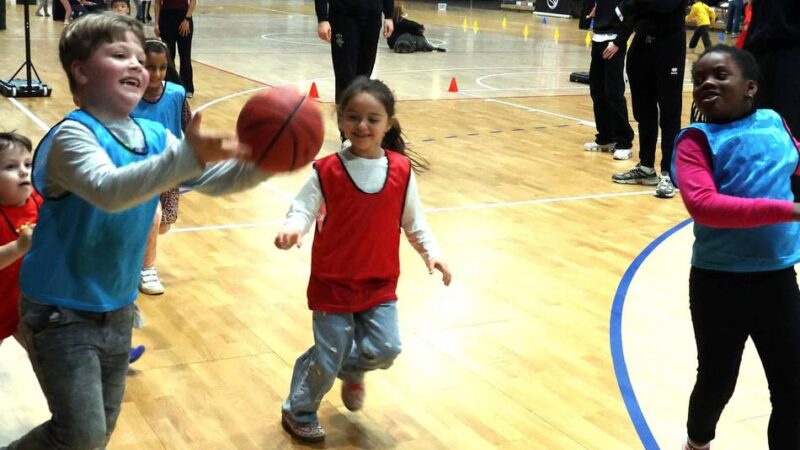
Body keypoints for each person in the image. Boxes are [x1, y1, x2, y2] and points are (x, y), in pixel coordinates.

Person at [1, 12, 269, 450]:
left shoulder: (154, 134)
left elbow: (213, 180)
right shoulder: (72, 137)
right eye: (120, 54)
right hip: (59, 311)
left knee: (96, 435)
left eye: (140, 58)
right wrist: (184, 159)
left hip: (118, 308)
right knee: (79, 437)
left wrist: (268, 163)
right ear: (82, 71)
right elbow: (109, 190)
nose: (137, 65)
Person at [275, 77, 451, 443]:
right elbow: (303, 208)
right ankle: (299, 410)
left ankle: (349, 369)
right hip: (333, 282)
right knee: (327, 359)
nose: (362, 125)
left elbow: (414, 222)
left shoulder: (401, 172)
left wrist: (433, 254)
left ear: (389, 123)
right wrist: (294, 229)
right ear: (340, 120)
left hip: (379, 282)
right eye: (353, 116)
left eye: (373, 118)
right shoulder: (327, 170)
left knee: (387, 348)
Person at [672, 45, 800, 450]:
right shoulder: (694, 140)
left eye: (719, 75)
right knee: (717, 380)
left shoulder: (774, 121)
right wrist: (791, 211)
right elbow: (706, 207)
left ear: (750, 87)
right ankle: (696, 444)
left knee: (793, 386)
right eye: (699, 79)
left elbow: (793, 162)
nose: (706, 83)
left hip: (777, 278)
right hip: (718, 283)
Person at [612, 0, 687, 199]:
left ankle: (668, 173)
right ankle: (646, 166)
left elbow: (665, 6)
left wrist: (631, 4)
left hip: (669, 45)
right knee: (643, 111)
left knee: (669, 111)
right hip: (643, 42)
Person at [133, 39, 191, 295]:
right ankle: (146, 269)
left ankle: (136, 258)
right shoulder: (126, 95)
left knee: (162, 224)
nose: (156, 74)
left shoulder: (176, 94)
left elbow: (188, 126)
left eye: (162, 68)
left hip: (169, 170)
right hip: (136, 170)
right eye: (149, 67)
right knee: (152, 217)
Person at [0, 132, 39, 350]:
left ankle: (105, 352)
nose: (24, 171)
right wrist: (18, 247)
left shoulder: (39, 200)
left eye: (28, 163)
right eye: (10, 167)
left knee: (45, 353)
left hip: (27, 304)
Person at [314, 0, 394, 107]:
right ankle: (345, 122)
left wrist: (389, 15)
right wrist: (322, 18)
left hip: (372, 17)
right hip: (343, 16)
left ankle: (360, 119)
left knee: (364, 78)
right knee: (345, 77)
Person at [583, 0, 634, 160]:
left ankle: (624, 141)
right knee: (597, 92)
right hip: (598, 39)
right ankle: (605, 138)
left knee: (613, 93)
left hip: (614, 41)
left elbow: (630, 14)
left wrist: (619, 41)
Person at [154, 0, 195, 97]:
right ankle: (170, 85)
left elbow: (193, 1)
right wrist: (156, 23)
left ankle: (187, 87)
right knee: (168, 56)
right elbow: (157, 3)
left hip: (184, 18)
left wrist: (187, 19)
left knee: (185, 55)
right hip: (166, 19)